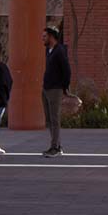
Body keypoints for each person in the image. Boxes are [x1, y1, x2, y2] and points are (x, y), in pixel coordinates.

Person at [41, 26, 72, 157]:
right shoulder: (49, 50)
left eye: (44, 36)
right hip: (46, 89)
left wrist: (64, 87)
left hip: (55, 89)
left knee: (55, 119)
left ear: (52, 37)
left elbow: (67, 71)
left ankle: (55, 148)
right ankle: (57, 145)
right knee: (49, 119)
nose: (42, 38)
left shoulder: (59, 51)